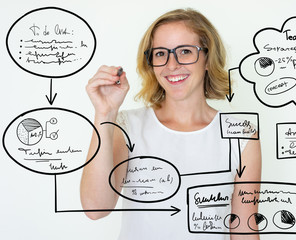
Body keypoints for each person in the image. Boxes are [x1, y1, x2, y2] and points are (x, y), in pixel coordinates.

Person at [81, 8, 261, 240]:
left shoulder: (242, 136)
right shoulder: (125, 126)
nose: (171, 64)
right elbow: (95, 209)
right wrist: (105, 113)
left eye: (185, 51)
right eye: (160, 54)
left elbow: (244, 230)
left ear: (208, 58)